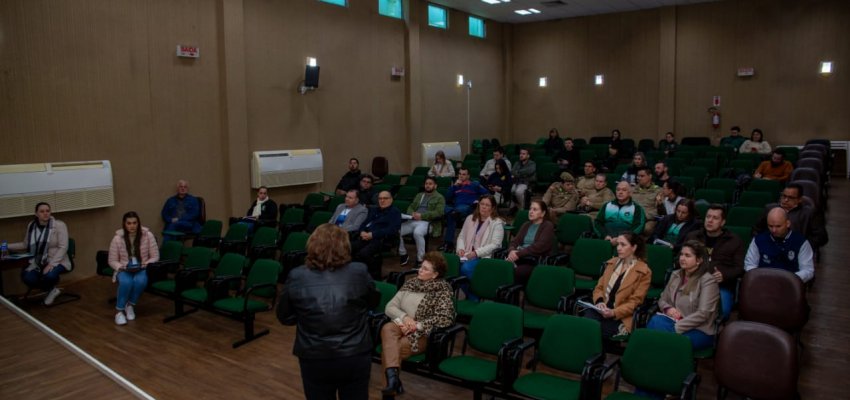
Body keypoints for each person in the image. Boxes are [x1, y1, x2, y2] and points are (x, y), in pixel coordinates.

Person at [277, 223, 378, 400]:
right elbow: (372, 303)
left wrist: (306, 316)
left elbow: (285, 316)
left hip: (314, 356)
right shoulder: (360, 271)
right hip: (354, 354)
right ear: (345, 246)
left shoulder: (297, 275)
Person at [380, 252, 455, 396]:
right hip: (401, 325)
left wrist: (417, 325)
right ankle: (393, 381)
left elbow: (445, 318)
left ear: (435, 275)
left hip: (421, 335)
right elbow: (390, 307)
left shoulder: (442, 290)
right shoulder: (411, 283)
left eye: (425, 269)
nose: (420, 270)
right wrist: (405, 317)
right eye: (421, 267)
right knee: (387, 327)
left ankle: (391, 388)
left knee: (389, 350)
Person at [647, 240, 720, 351]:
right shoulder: (675, 274)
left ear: (699, 260)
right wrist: (668, 309)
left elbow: (703, 314)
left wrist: (676, 327)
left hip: (699, 329)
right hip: (673, 322)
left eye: (687, 255)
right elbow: (662, 299)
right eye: (681, 254)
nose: (682, 258)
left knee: (665, 341)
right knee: (655, 321)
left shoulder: (708, 281)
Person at [582, 232, 652, 338]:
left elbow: (635, 302)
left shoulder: (644, 272)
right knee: (585, 326)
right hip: (601, 309)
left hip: (620, 315)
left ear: (634, 247)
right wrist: (600, 302)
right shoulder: (611, 263)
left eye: (623, 245)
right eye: (618, 244)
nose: (618, 248)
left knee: (594, 331)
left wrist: (614, 312)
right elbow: (599, 287)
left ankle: (595, 354)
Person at [685, 204, 745, 320]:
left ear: (723, 222)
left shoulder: (734, 241)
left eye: (715, 218)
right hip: (692, 281)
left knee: (723, 312)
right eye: (708, 217)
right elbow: (679, 259)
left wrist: (725, 274)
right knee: (684, 307)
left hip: (719, 285)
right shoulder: (693, 236)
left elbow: (739, 268)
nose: (710, 220)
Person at [8, 202, 71, 305]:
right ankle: (51, 290)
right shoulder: (31, 225)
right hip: (37, 261)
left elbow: (63, 247)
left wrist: (51, 264)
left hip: (58, 260)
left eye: (47, 211)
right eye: (42, 211)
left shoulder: (59, 225)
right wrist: (5, 246)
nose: (45, 213)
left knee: (49, 275)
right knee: (27, 277)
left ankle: (51, 289)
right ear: (36, 214)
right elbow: (25, 244)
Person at [108, 212, 159, 325]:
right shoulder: (117, 238)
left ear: (138, 223)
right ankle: (119, 312)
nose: (132, 226)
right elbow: (112, 260)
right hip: (124, 268)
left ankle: (130, 305)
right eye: (129, 223)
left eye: (134, 223)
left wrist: (145, 264)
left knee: (140, 281)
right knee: (126, 282)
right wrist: (121, 267)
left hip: (142, 266)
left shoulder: (148, 235)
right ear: (124, 224)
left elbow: (155, 256)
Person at [745, 207, 814, 283]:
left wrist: (789, 279)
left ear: (788, 223)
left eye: (778, 226)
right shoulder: (758, 240)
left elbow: (808, 270)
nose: (774, 230)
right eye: (770, 226)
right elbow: (749, 265)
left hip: (790, 285)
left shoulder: (801, 242)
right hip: (763, 283)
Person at [456, 195, 505, 301]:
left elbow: (495, 245)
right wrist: (460, 249)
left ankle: (473, 298)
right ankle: (473, 296)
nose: (483, 207)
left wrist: (476, 253)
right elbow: (461, 236)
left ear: (492, 208)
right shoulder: (470, 218)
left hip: (484, 257)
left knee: (466, 268)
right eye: (482, 204)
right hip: (466, 253)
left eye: (487, 205)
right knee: (452, 267)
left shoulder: (496, 223)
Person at [756, 183, 828, 249]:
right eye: (784, 196)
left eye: (790, 198)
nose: (786, 200)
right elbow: (756, 230)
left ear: (799, 199)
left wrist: (802, 246)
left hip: (798, 253)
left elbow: (821, 237)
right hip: (770, 249)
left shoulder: (809, 213)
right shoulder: (770, 209)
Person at [350, 191, 402, 279]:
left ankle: (373, 276)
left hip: (383, 239)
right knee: (350, 248)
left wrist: (373, 234)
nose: (382, 201)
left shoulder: (395, 212)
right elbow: (364, 223)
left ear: (391, 200)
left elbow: (391, 230)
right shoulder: (374, 210)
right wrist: (362, 231)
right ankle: (357, 274)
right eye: (380, 198)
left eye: (385, 198)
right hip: (367, 236)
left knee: (364, 253)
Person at [505, 201, 556, 285]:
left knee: (518, 271)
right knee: (502, 267)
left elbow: (539, 247)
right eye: (530, 209)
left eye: (535, 209)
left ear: (542, 213)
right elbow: (514, 241)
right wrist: (511, 251)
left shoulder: (547, 226)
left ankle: (514, 294)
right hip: (519, 257)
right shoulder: (526, 225)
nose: (531, 211)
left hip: (535, 261)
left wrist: (518, 254)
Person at [398, 177, 445, 266]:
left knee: (417, 232)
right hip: (413, 220)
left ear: (435, 186)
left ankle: (420, 259)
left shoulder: (439, 197)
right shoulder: (420, 195)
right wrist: (412, 213)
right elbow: (411, 207)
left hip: (428, 222)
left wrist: (422, 216)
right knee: (397, 230)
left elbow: (439, 212)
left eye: (430, 184)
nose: (427, 185)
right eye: (426, 183)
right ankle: (403, 254)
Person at [441, 168, 489, 252]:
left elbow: (487, 194)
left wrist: (479, 201)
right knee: (445, 208)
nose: (461, 176)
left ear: (468, 176)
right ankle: (449, 243)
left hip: (469, 207)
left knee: (456, 211)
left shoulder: (474, 184)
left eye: (463, 174)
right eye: (459, 174)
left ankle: (448, 244)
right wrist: (454, 186)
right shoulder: (455, 186)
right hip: (456, 208)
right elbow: (447, 198)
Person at [630, 166, 661, 234]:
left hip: (648, 219)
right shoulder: (632, 189)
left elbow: (658, 210)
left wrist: (642, 216)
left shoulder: (658, 191)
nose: (639, 178)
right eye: (638, 176)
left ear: (650, 176)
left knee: (646, 228)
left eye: (642, 176)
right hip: (631, 217)